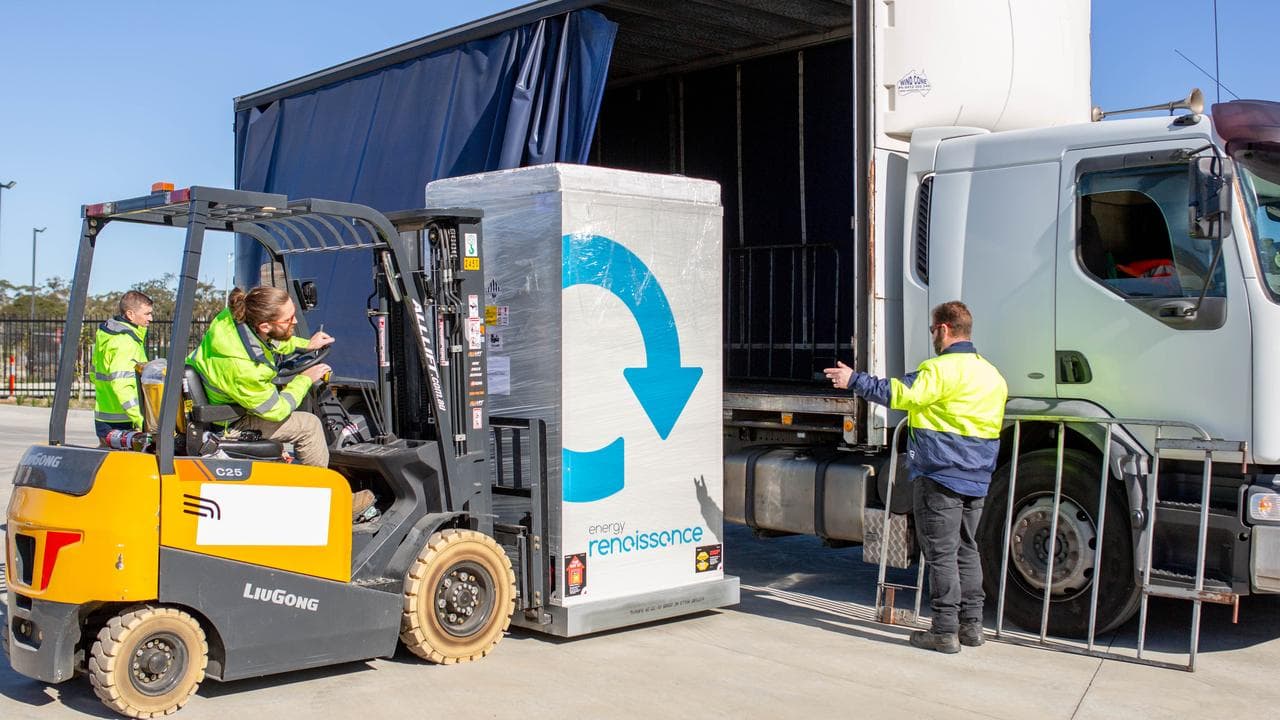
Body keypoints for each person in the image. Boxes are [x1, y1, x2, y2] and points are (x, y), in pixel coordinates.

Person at [825, 300, 1007, 654]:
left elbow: (898, 393)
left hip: (941, 475)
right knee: (968, 550)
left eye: (932, 331)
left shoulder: (941, 370)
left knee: (940, 554)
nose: (932, 338)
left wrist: (853, 380)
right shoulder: (991, 375)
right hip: (978, 476)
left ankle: (944, 630)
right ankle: (972, 627)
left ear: (943, 329)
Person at [186, 286, 335, 467]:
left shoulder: (232, 320)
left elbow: (269, 341)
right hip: (229, 423)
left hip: (223, 402)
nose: (294, 321)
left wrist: (307, 345)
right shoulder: (246, 368)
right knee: (309, 426)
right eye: (288, 319)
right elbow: (276, 410)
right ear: (264, 325)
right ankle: (317, 491)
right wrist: (304, 379)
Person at [92, 291, 154, 442]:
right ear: (131, 314)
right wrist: (142, 421)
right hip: (124, 421)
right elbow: (122, 386)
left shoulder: (109, 336)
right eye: (147, 314)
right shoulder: (124, 342)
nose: (150, 318)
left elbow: (95, 376)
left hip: (106, 416)